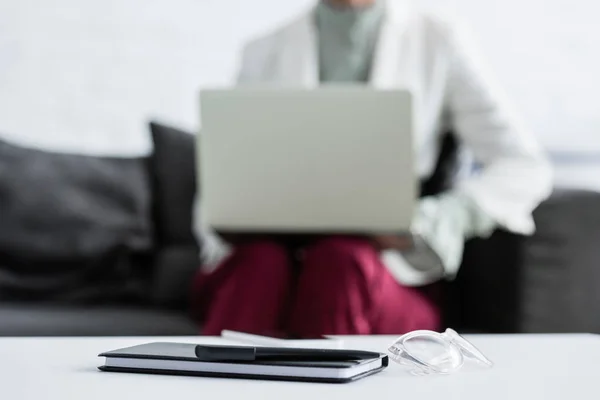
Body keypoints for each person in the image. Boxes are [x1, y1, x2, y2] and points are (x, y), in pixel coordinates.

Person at [190, 0, 552, 337]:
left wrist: (429, 221)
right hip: (266, 263)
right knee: (260, 264)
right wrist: (228, 218)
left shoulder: (438, 40)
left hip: (375, 270)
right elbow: (219, 181)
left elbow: (523, 165)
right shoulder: (262, 50)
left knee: (340, 259)